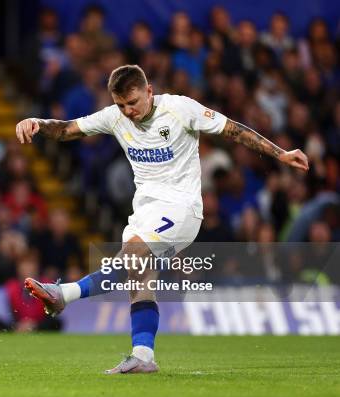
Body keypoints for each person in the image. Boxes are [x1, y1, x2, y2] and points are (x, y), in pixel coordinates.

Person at [15, 64, 308, 374]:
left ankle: (65, 294)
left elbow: (233, 129)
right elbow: (65, 130)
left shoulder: (181, 109)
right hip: (145, 210)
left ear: (149, 91)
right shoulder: (114, 117)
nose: (127, 111)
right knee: (139, 279)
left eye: (133, 103)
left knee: (135, 254)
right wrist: (37, 122)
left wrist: (280, 154)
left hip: (183, 210)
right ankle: (143, 356)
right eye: (121, 105)